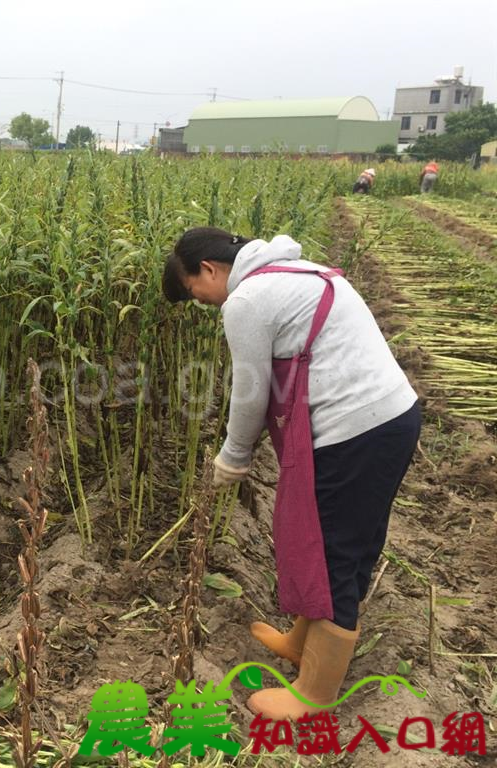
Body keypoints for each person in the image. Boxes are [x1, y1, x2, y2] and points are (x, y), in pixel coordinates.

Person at [162, 228, 420, 720]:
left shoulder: (247, 299)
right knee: (341, 540)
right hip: (389, 419)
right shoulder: (301, 271)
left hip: (356, 432)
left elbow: (250, 392)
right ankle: (303, 640)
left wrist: (234, 457)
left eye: (197, 295)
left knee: (333, 552)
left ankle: (314, 694)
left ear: (211, 270)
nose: (206, 305)